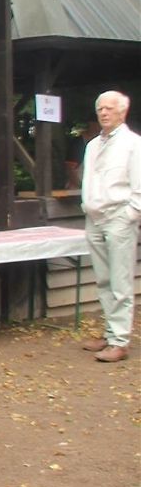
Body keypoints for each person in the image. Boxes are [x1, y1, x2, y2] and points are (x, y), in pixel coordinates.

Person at [79, 91, 140, 363]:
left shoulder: (133, 144)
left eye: (109, 108)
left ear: (122, 112)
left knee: (120, 281)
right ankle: (110, 332)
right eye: (100, 109)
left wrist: (130, 214)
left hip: (119, 218)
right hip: (94, 217)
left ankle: (120, 341)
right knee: (103, 279)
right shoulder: (93, 144)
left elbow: (139, 186)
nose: (103, 113)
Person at [65, 120, 101, 190]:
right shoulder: (79, 143)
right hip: (77, 190)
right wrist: (81, 186)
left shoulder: (99, 143)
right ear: (91, 124)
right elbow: (69, 168)